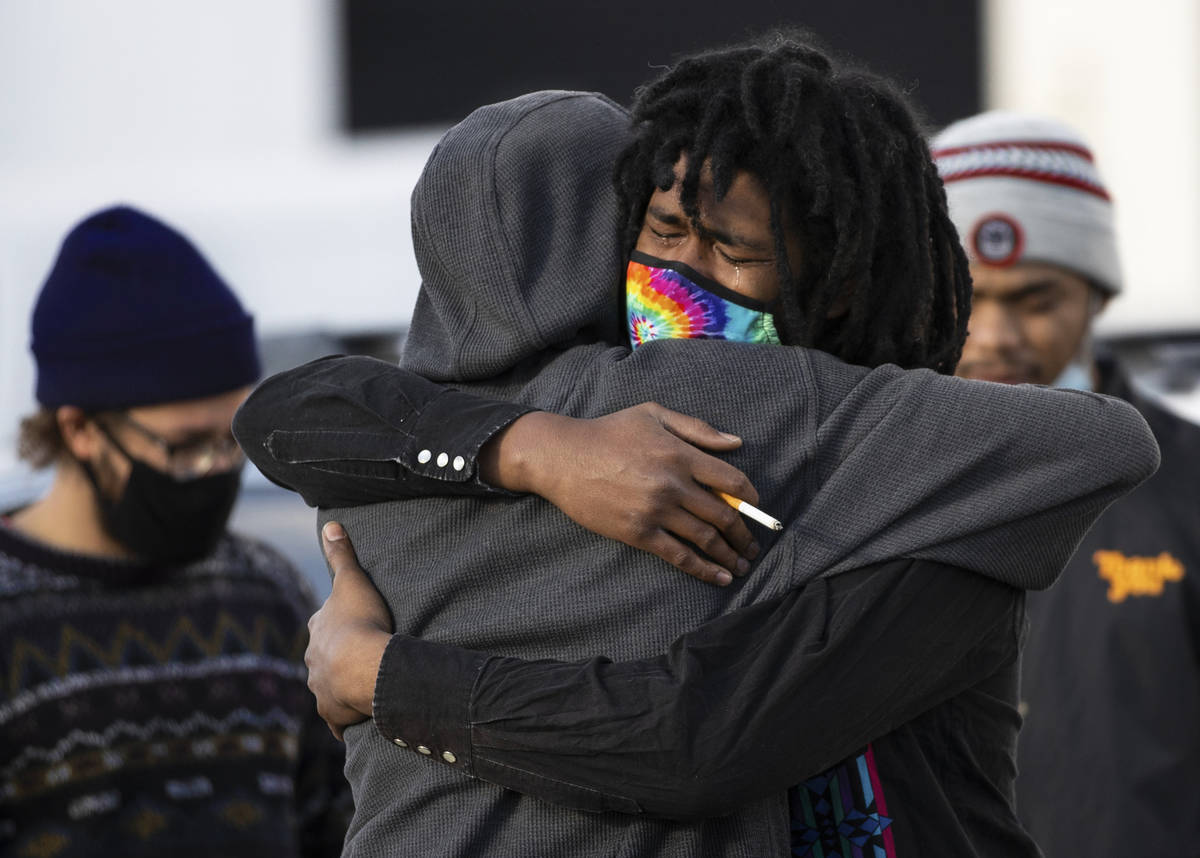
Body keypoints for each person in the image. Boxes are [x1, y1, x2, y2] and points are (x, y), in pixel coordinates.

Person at [235, 37, 1157, 857]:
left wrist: (385, 676)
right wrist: (535, 449)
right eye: (663, 234)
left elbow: (696, 741)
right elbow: (286, 409)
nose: (678, 280)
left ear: (833, 278)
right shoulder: (588, 425)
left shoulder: (920, 471)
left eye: (729, 250)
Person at [0, 206, 351, 858]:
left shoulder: (266, 594)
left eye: (231, 441)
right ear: (79, 429)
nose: (216, 470)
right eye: (188, 447)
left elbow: (339, 828)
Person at [931, 111, 1200, 857]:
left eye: (1036, 300)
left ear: (1099, 297)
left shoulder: (1190, 489)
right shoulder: (862, 486)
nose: (994, 336)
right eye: (968, 296)